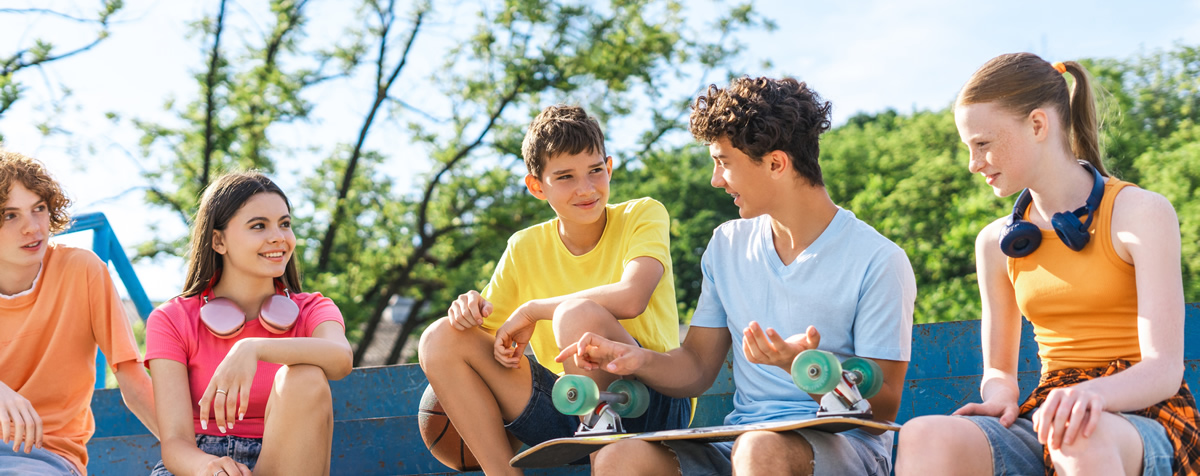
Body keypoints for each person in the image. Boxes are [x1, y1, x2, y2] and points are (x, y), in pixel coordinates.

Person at [558, 77, 916, 476]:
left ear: (776, 163)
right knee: (620, 458)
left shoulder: (879, 259)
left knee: (759, 450)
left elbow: (883, 405)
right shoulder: (727, 244)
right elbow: (695, 366)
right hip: (742, 443)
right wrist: (636, 359)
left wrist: (805, 366)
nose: (715, 179)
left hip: (847, 447)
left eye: (724, 163)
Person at [895, 53, 1198, 476]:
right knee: (924, 435)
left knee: (1078, 433)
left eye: (983, 143)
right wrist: (1000, 394)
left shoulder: (1141, 212)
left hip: (1145, 415)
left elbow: (1164, 370)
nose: (973, 163)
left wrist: (1093, 395)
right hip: (1051, 411)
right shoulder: (995, 243)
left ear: (1038, 125)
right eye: (969, 148)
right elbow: (999, 369)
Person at [417, 104, 691, 475]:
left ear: (609, 168)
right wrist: (467, 309)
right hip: (569, 409)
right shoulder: (524, 247)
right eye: (565, 177)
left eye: (595, 171)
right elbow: (485, 337)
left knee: (578, 316)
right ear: (536, 186)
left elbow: (632, 295)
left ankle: (604, 463)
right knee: (441, 336)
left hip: (648, 400)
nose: (586, 188)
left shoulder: (643, 214)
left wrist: (533, 309)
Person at [145, 172, 352, 476]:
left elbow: (341, 358)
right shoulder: (171, 319)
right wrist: (211, 469)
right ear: (218, 241)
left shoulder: (312, 308)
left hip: (288, 460)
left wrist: (253, 348)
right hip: (202, 466)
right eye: (259, 226)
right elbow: (175, 442)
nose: (279, 237)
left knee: (305, 376)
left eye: (285, 224)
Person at [0, 150, 158, 476]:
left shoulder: (81, 271)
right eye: (10, 215)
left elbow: (132, 378)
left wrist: (194, 453)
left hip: (42, 456)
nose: (32, 227)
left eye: (39, 209)